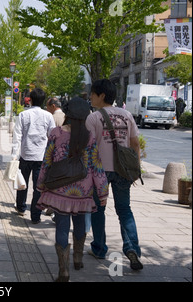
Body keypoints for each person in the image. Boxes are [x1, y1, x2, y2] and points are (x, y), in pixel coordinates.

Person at [35, 97, 109, 282]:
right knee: (80, 223)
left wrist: (41, 183)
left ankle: (63, 270)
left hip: (59, 190)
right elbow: (96, 166)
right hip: (83, 191)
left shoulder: (56, 133)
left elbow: (47, 160)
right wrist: (102, 191)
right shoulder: (90, 137)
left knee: (62, 226)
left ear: (67, 114)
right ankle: (77, 259)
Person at [85, 79, 143, 271]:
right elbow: (135, 144)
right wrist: (137, 168)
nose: (90, 97)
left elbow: (89, 147)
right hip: (122, 169)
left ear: (101, 96)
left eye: (93, 94)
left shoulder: (93, 118)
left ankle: (99, 248)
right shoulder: (127, 115)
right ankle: (132, 248)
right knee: (124, 210)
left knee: (98, 209)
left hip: (100, 171)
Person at [11, 88, 56, 224]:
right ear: (43, 101)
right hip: (41, 156)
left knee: (22, 182)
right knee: (38, 186)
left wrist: (14, 154)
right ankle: (35, 215)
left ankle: (21, 207)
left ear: (30, 99)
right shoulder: (48, 116)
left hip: (25, 154)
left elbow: (17, 135)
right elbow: (52, 136)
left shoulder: (24, 115)